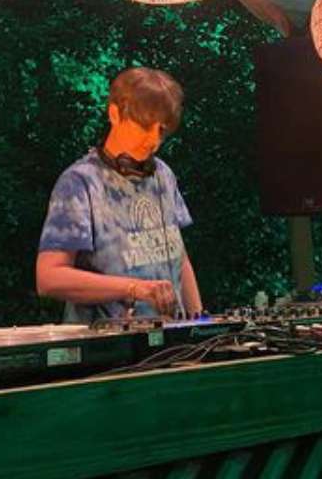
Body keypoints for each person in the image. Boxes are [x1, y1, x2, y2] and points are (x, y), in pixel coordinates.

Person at [36, 67, 203, 323]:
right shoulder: (80, 182)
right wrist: (133, 288)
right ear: (114, 114)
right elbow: (49, 278)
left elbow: (178, 257)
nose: (153, 140)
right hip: (105, 341)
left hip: (172, 339)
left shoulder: (162, 174)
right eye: (144, 126)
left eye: (161, 130)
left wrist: (199, 323)